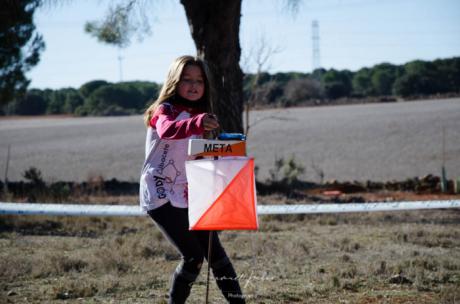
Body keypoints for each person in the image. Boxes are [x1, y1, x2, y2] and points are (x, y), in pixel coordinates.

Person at [140, 55, 246, 304]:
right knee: (193, 257)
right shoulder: (163, 110)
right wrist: (197, 122)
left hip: (190, 190)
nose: (194, 85)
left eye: (199, 80)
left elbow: (198, 156)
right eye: (186, 79)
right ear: (174, 82)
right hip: (159, 192)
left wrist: (224, 149)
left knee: (215, 253)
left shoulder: (201, 116)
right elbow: (168, 131)